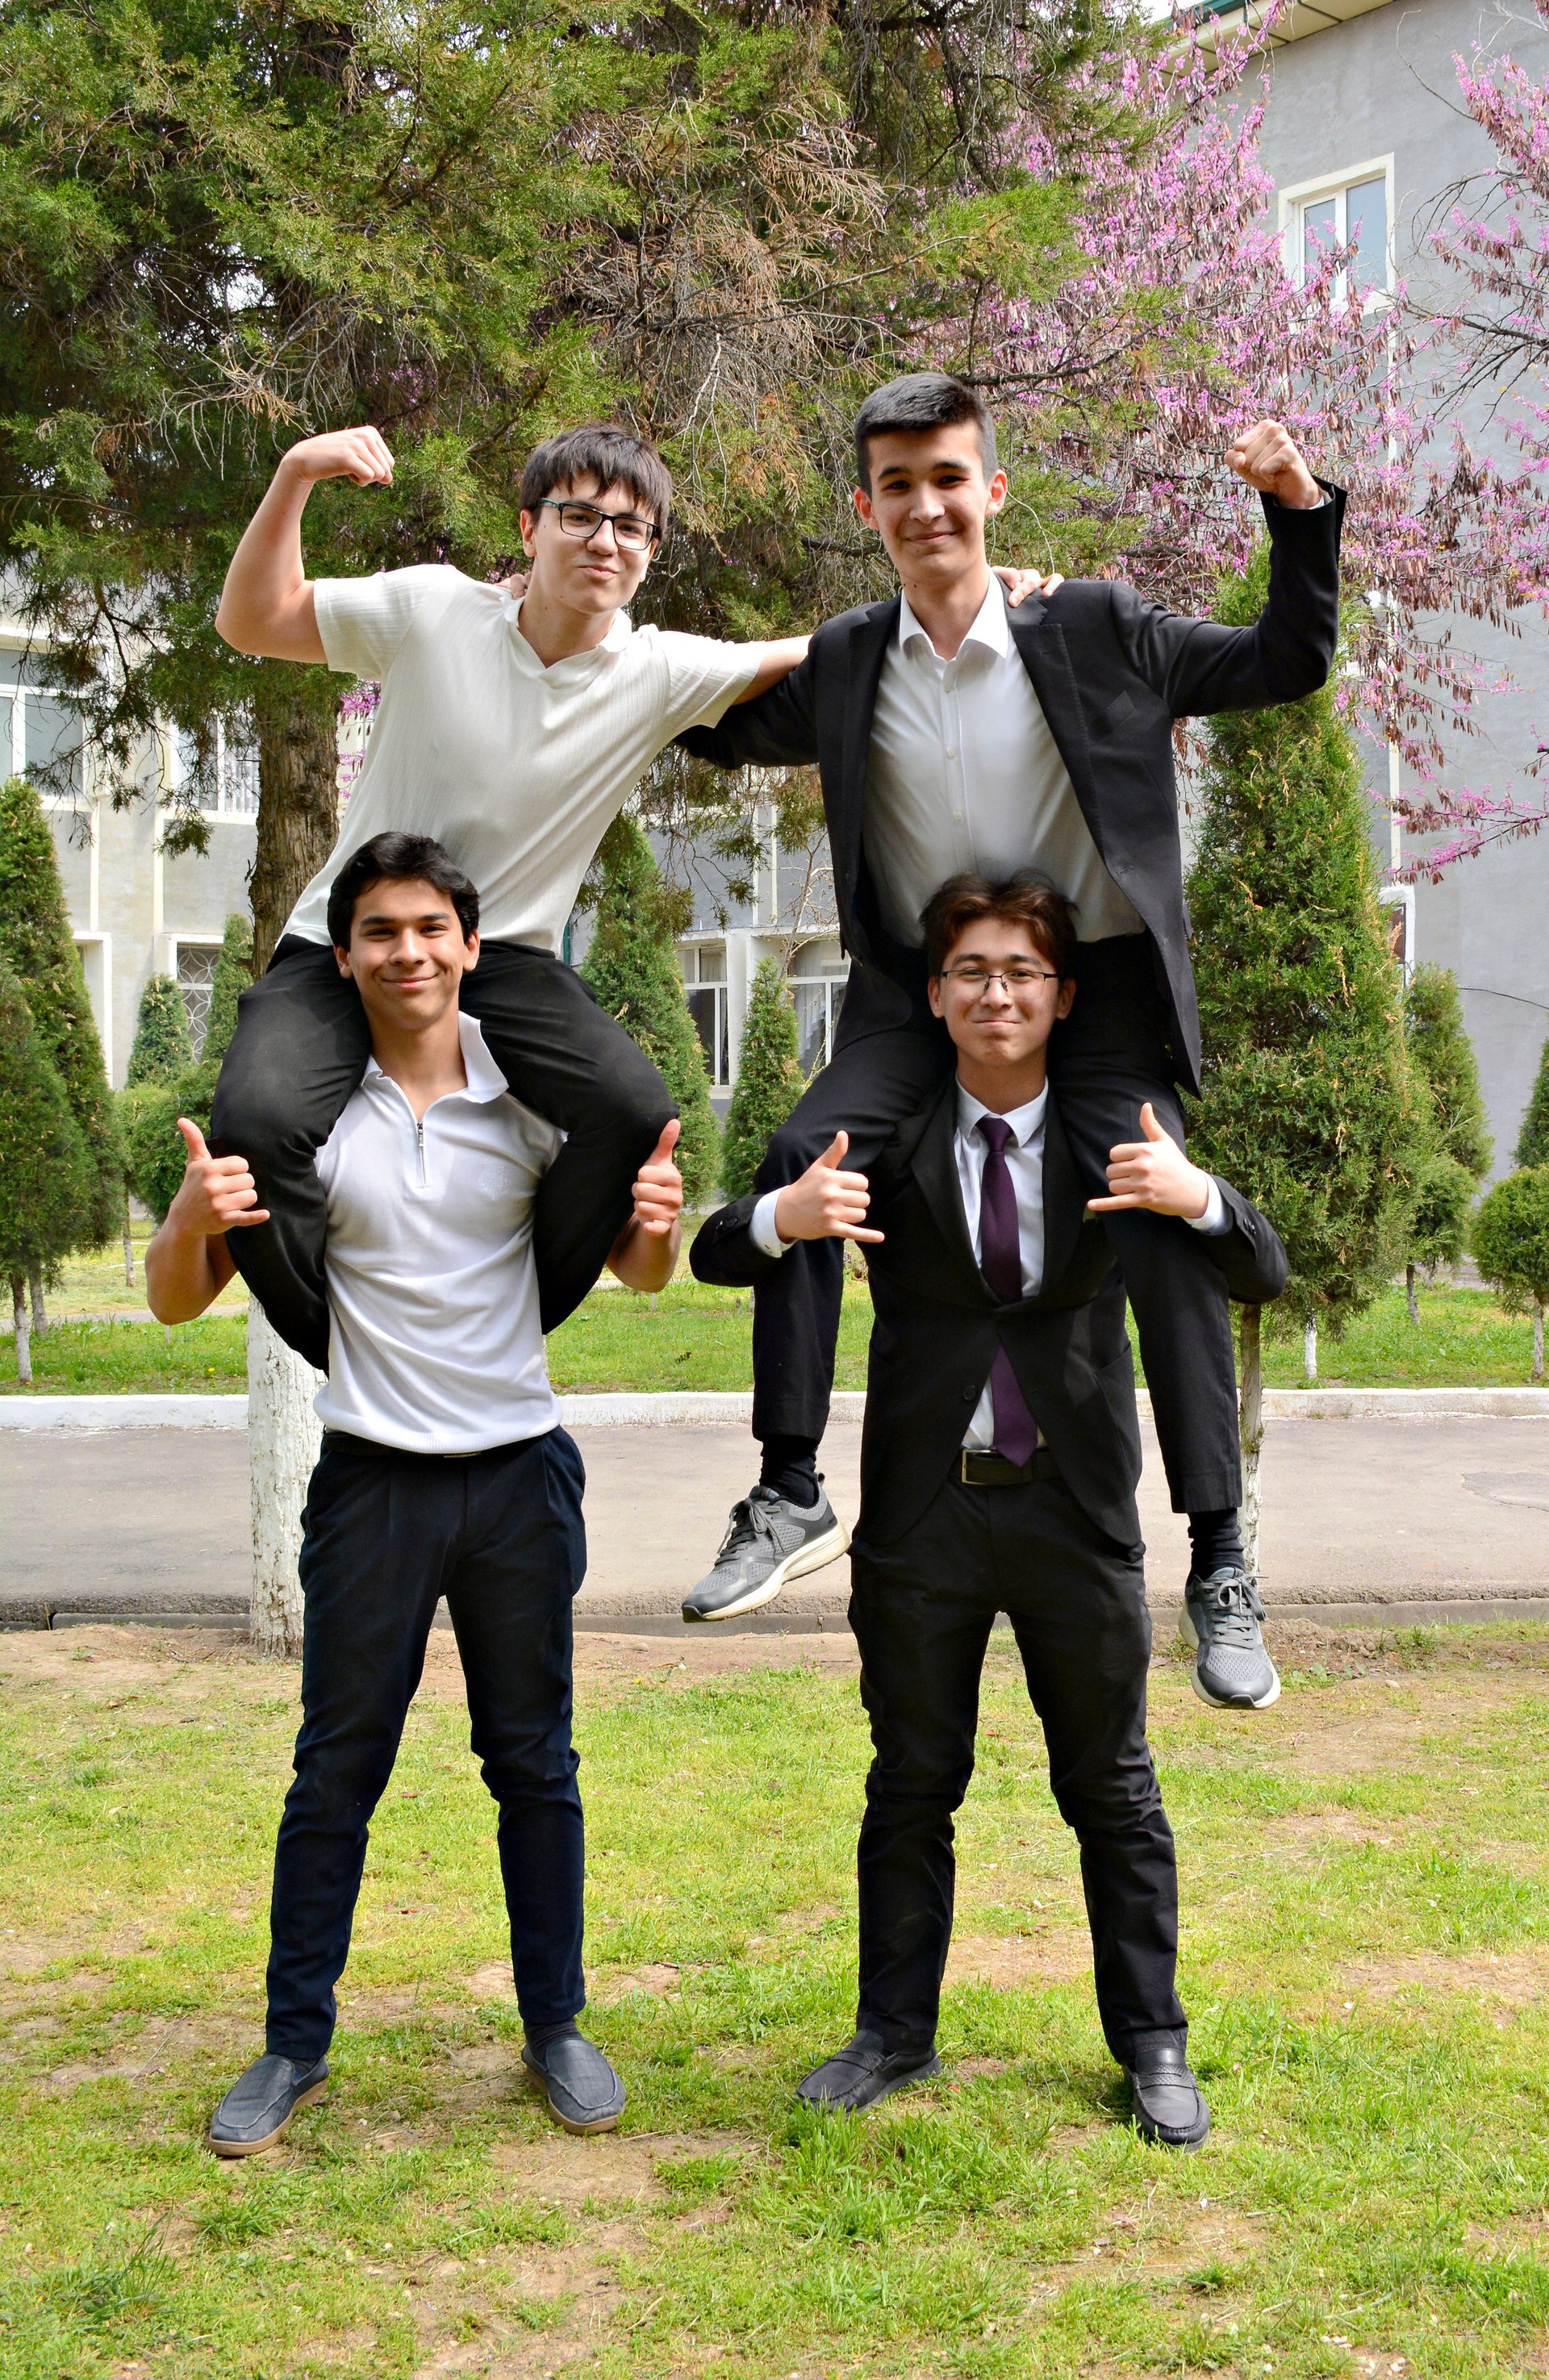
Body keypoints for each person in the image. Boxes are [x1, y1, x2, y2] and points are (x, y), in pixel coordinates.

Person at [677, 373, 1340, 1716]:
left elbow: (1284, 659)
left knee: (1152, 1201)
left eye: (949, 478)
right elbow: (704, 724)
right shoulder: (851, 658)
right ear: (866, 505)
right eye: (899, 485)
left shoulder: (1093, 625)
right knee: (807, 1156)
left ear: (992, 489)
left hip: (1093, 994)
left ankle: (1220, 1556)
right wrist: (611, 633)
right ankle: (791, 1488)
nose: (927, 505)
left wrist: (1295, 505)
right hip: (925, 992)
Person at [208, 418, 1047, 1372]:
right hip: (346, 943)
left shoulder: (658, 672)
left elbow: (818, 650)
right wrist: (296, 473)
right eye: (579, 516)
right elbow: (252, 620)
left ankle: (498, 1326)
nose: (604, 541)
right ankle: (347, 1345)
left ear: (650, 552)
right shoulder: (433, 610)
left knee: (630, 1112)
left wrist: (972, 593)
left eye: (631, 527)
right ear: (528, 528)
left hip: (503, 958)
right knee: (256, 1125)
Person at [692, 874, 1288, 2140]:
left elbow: (1264, 1265)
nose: (997, 992)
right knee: (911, 1780)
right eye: (971, 969)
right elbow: (715, 1250)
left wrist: (1197, 1194)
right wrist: (782, 1217)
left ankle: (1153, 2043)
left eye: (1021, 971)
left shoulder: (1111, 1136)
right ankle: (891, 2033)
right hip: (926, 1515)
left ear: (1063, 996)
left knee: (1113, 1787)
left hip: (1075, 1511)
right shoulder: (886, 1134)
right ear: (933, 994)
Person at [147, 832, 684, 2154]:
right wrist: (191, 1216)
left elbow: (640, 1273)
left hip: (518, 1475)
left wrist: (655, 1222)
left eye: (432, 928)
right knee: (335, 1770)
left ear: (471, 947)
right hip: (372, 1482)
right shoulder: (308, 1117)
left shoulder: (532, 1095)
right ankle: (292, 2043)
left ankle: (556, 2026)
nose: (409, 953)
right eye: (381, 932)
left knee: (535, 1764)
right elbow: (171, 1300)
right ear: (343, 958)